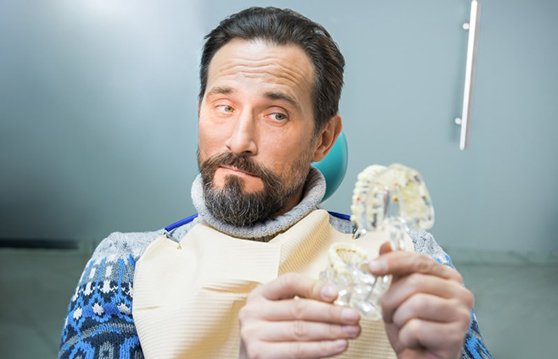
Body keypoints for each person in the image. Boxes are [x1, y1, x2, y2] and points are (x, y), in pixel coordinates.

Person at [59, 7, 491, 359]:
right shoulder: (124, 265)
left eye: (276, 114)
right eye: (224, 106)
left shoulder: (409, 260)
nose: (239, 140)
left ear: (323, 138)